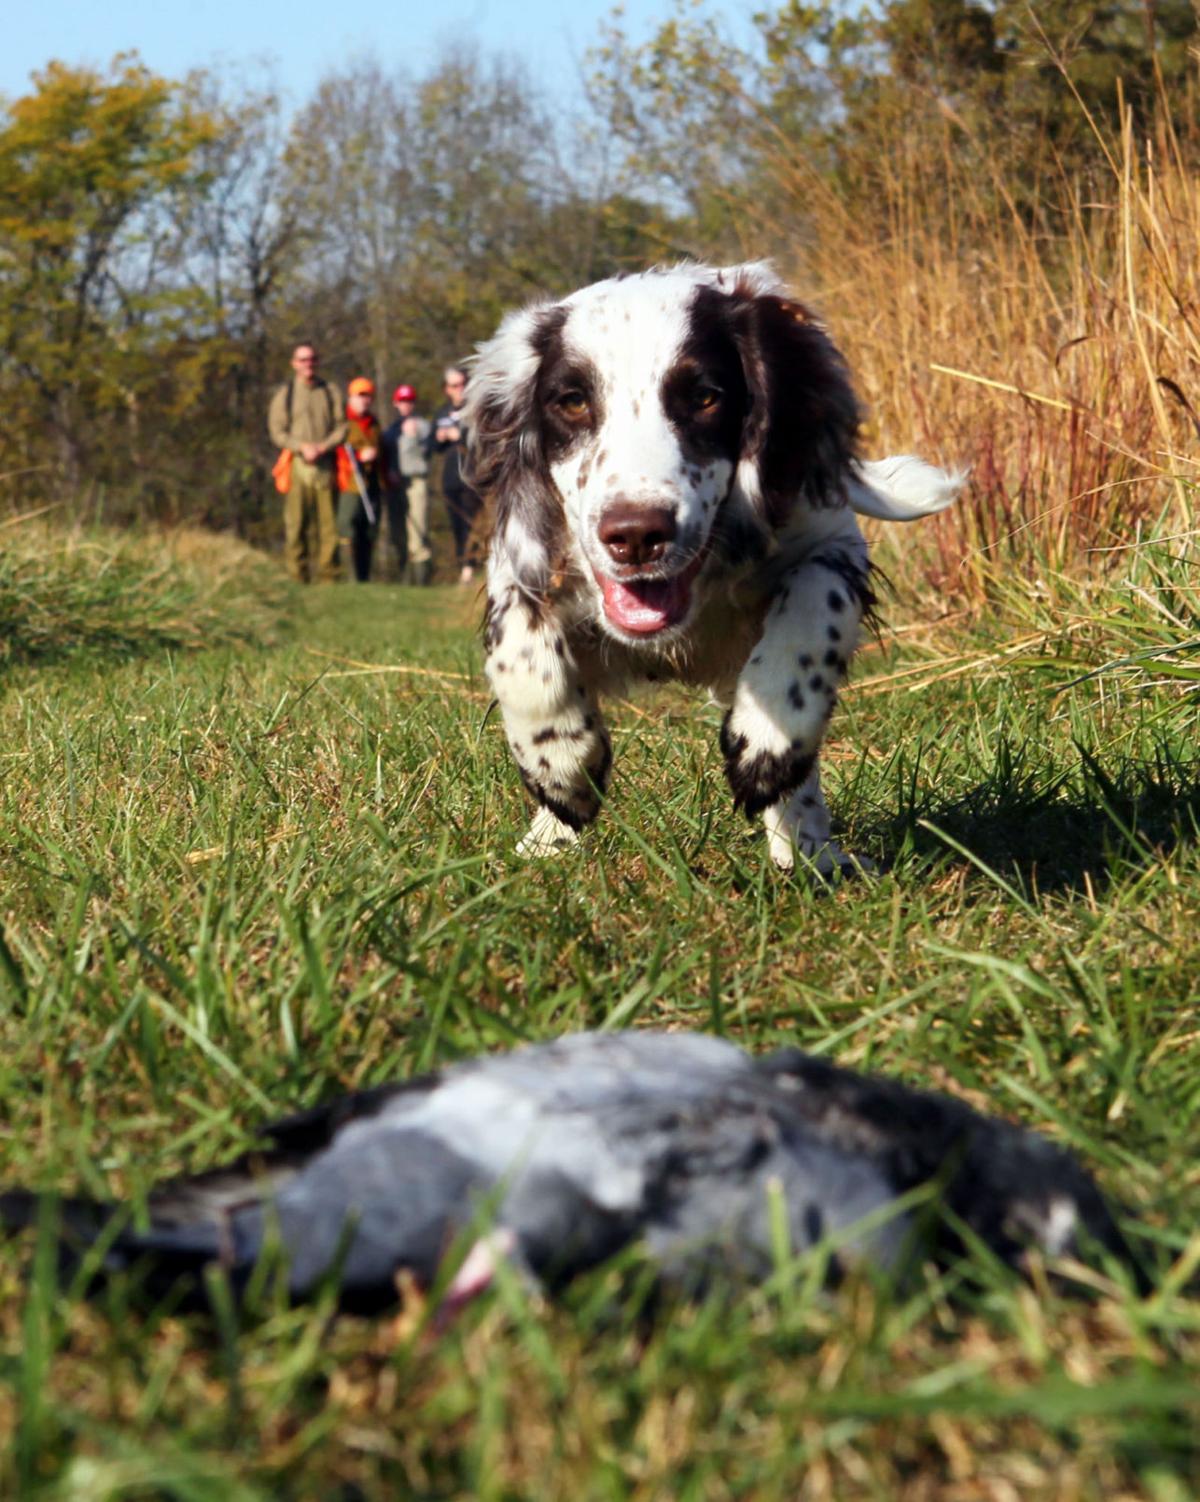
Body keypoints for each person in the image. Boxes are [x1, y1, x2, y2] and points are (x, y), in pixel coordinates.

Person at [267, 343, 346, 583]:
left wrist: (323, 446)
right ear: (294, 364)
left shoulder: (330, 391)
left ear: (317, 362)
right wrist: (301, 447)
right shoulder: (286, 394)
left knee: (329, 525)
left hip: (326, 465)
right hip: (297, 465)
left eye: (311, 359)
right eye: (302, 360)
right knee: (296, 524)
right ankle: (297, 576)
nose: (307, 364)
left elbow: (343, 427)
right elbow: (277, 431)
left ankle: (329, 576)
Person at [430, 365, 483, 584]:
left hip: (472, 477)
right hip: (450, 479)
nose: (459, 389)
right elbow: (432, 447)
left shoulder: (475, 410)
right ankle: (463, 567)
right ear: (447, 389)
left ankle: (470, 568)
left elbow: (481, 438)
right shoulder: (442, 413)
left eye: (462, 384)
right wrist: (438, 437)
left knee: (473, 524)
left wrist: (459, 434)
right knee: (456, 526)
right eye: (454, 386)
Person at [335, 378, 386, 583]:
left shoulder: (374, 423)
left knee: (369, 531)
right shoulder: (342, 422)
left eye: (368, 396)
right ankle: (351, 577)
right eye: (360, 395)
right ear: (351, 397)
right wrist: (358, 456)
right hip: (349, 484)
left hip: (372, 484)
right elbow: (337, 449)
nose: (365, 400)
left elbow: (382, 450)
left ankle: (364, 578)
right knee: (348, 528)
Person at [381, 384, 433, 585]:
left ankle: (421, 581)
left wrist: (411, 438)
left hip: (415, 482)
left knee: (417, 531)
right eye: (402, 401)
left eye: (410, 401)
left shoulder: (422, 426)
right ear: (396, 403)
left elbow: (425, 453)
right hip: (395, 486)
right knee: (398, 533)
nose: (406, 405)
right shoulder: (391, 430)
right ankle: (404, 578)